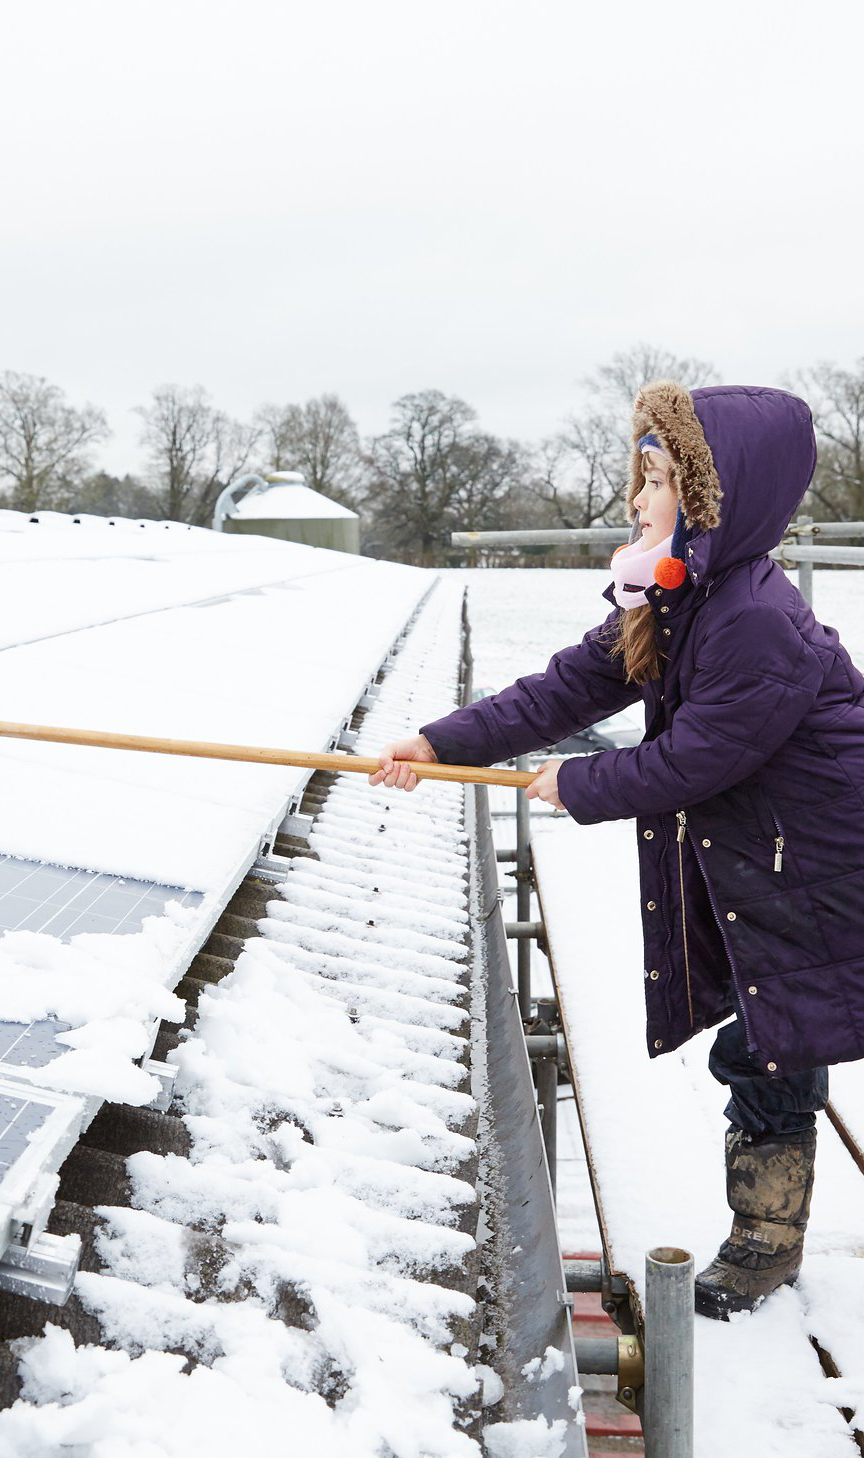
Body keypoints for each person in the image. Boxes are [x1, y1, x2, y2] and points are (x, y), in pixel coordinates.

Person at [370, 381, 864, 1320]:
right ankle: (769, 1228)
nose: (639, 500)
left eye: (661, 480)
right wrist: (440, 744)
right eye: (641, 477)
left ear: (718, 500)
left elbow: (700, 756)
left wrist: (584, 784)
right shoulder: (670, 594)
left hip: (819, 860)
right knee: (773, 1031)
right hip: (763, 855)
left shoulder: (756, 618)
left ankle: (765, 1241)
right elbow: (566, 688)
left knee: (772, 1040)